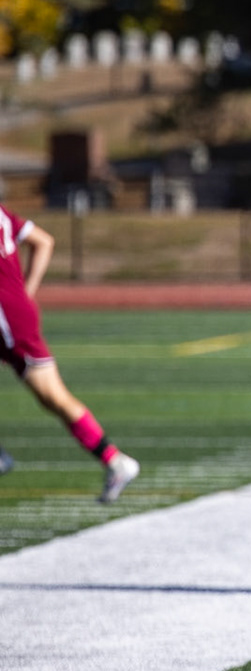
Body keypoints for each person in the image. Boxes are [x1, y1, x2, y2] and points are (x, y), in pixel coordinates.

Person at [0, 204, 139, 501]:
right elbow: (44, 241)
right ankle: (115, 461)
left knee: (54, 396)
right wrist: (26, 295)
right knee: (52, 398)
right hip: (13, 316)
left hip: (6, 320)